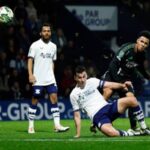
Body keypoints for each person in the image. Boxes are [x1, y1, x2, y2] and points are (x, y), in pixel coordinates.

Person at [70, 65, 150, 138]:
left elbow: (109, 84)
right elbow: (77, 116)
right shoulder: (74, 94)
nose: (83, 80)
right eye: (79, 77)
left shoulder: (92, 81)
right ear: (75, 78)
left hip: (108, 107)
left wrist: (122, 85)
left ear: (86, 75)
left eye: (84, 76)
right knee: (111, 133)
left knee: (132, 100)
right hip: (98, 116)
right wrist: (78, 134)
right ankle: (132, 133)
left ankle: (144, 128)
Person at [101, 30, 150, 131]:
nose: (143, 45)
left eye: (146, 43)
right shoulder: (127, 48)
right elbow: (113, 65)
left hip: (125, 79)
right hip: (112, 76)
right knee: (106, 94)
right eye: (142, 41)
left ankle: (134, 127)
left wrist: (148, 77)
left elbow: (141, 69)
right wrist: (119, 83)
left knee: (131, 99)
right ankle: (96, 120)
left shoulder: (142, 55)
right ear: (137, 41)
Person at [27, 23, 69, 134]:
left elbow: (52, 62)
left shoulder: (54, 46)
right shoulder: (34, 45)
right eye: (44, 31)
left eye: (48, 31)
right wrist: (30, 75)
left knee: (54, 98)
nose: (46, 32)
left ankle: (57, 125)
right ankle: (31, 126)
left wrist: (52, 75)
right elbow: (30, 60)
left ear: (50, 33)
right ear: (41, 33)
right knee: (35, 99)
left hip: (50, 78)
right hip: (38, 79)